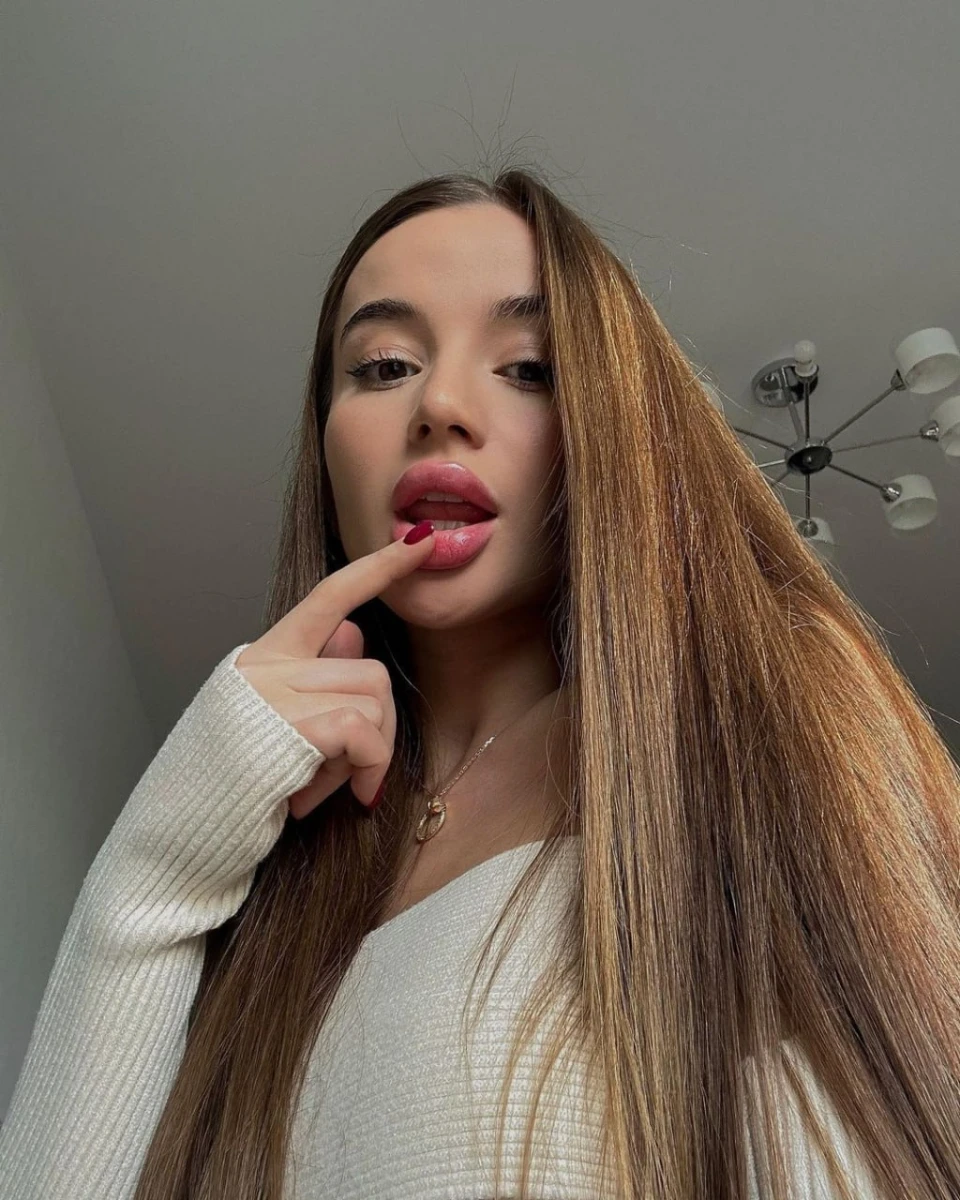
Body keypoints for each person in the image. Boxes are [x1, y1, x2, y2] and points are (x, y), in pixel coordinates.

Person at [1, 165, 958, 1200]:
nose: (441, 406)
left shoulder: (758, 712)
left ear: (612, 425)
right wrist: (153, 872)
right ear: (324, 447)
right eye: (384, 366)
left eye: (530, 368)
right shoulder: (276, 861)